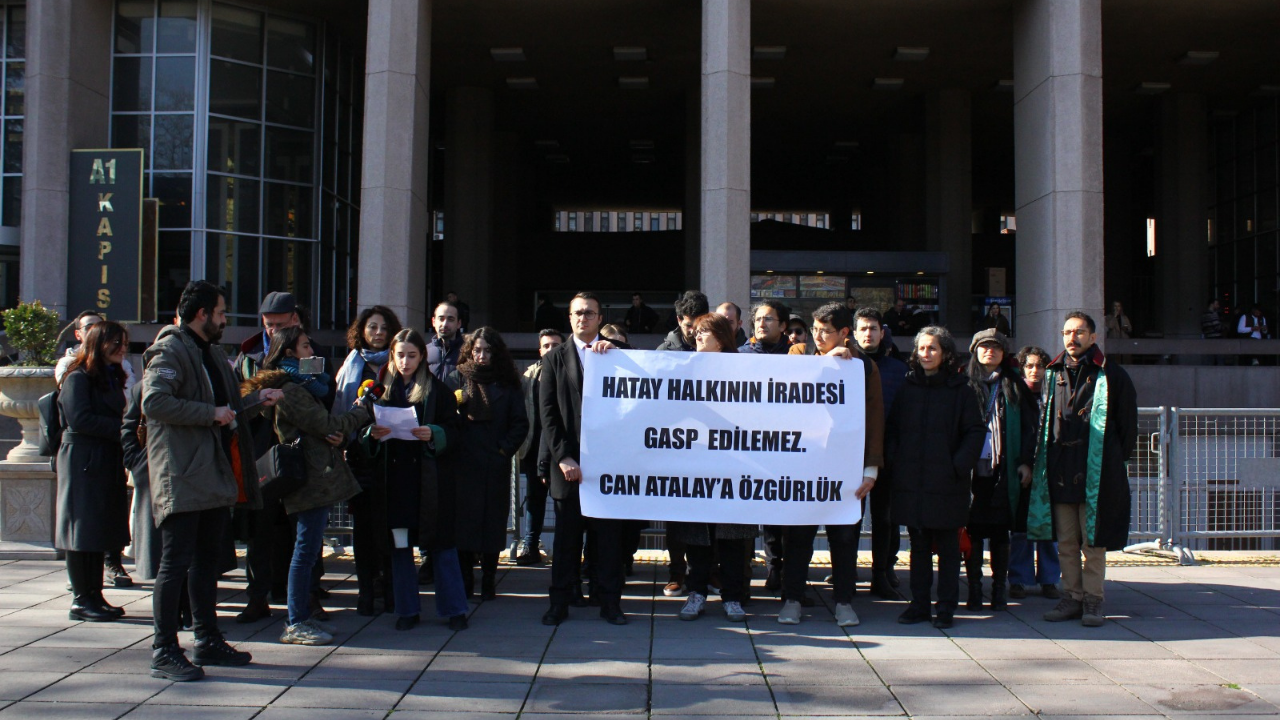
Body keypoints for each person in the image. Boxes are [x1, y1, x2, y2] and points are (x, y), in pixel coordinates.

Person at [142, 281, 281, 681]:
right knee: (176, 564)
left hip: (213, 474)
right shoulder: (170, 350)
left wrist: (256, 401)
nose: (224, 320)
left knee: (206, 563)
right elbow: (154, 402)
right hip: (183, 475)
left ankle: (207, 639)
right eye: (220, 313)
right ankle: (164, 649)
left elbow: (227, 410)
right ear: (201, 314)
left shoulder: (212, 353)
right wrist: (210, 414)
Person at [243, 326, 372, 646]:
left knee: (308, 549)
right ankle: (296, 621)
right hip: (310, 477)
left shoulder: (299, 385)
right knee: (305, 551)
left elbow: (325, 426)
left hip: (313, 474)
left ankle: (300, 615)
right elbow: (326, 425)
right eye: (305, 347)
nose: (311, 352)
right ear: (289, 353)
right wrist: (359, 412)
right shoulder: (291, 390)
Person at [779, 302, 884, 627]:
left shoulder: (864, 366)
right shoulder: (798, 352)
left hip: (846, 466)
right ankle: (792, 599)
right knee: (798, 536)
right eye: (815, 329)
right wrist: (825, 362)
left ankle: (844, 601)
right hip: (804, 464)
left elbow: (874, 417)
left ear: (844, 332)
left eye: (826, 331)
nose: (818, 336)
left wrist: (870, 469)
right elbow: (789, 386)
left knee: (845, 537)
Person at [1031, 312, 1137, 628]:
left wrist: (1114, 463)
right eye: (1067, 332)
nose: (1072, 338)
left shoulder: (1112, 374)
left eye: (1079, 332)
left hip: (1097, 471)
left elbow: (1128, 428)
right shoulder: (1053, 373)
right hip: (1061, 468)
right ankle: (1072, 597)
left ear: (1092, 337)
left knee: (1093, 542)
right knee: (1066, 541)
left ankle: (1093, 600)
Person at [362, 328, 469, 631]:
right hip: (396, 483)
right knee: (400, 547)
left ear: (422, 356)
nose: (405, 362)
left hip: (430, 482)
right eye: (400, 355)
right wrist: (372, 434)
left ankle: (454, 609)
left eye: (412, 355)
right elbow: (361, 430)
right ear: (392, 357)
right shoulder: (379, 391)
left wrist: (434, 433)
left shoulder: (438, 391)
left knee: (442, 546)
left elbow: (456, 432)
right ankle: (407, 609)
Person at [539, 291, 630, 626]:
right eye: (578, 312)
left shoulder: (618, 354)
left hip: (608, 465)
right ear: (570, 318)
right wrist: (562, 456)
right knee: (566, 541)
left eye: (589, 313)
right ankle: (559, 603)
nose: (583, 318)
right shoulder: (554, 358)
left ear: (600, 318)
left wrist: (616, 351)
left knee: (608, 541)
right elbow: (548, 413)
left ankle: (610, 603)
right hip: (569, 466)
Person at [888, 326, 985, 629]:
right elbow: (893, 431)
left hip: (947, 483)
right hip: (912, 482)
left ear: (945, 353)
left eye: (932, 348)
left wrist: (957, 466)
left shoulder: (962, 389)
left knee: (947, 549)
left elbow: (975, 432)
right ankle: (919, 605)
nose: (926, 354)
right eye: (922, 348)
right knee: (917, 547)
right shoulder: (908, 387)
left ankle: (945, 608)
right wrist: (896, 462)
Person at [232, 290, 309, 624]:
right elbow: (237, 404)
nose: (273, 330)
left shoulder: (306, 351)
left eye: (280, 324)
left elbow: (323, 394)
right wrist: (259, 401)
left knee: (299, 527)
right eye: (268, 325)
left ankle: (304, 597)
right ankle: (257, 596)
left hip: (298, 449)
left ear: (295, 319)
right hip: (261, 452)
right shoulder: (248, 356)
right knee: (259, 529)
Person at [676, 314, 756, 623]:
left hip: (734, 467)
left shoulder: (746, 371)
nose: (697, 337)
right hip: (696, 465)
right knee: (698, 536)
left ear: (721, 339)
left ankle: (732, 597)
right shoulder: (684, 369)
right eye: (696, 332)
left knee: (732, 538)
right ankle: (696, 593)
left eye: (704, 333)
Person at [445, 328, 529, 601]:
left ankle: (489, 581)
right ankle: (466, 581)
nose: (481, 356)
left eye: (487, 351)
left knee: (492, 524)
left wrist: (503, 450)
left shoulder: (508, 382)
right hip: (463, 463)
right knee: (464, 525)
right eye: (477, 350)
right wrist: (457, 407)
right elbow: (444, 419)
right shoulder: (456, 378)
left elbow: (520, 423)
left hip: (494, 463)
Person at [56, 321, 131, 623]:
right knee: (82, 529)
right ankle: (81, 598)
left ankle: (94, 594)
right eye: (117, 343)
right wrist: (122, 430)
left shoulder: (108, 375)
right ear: (99, 344)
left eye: (124, 343)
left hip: (103, 457)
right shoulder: (77, 377)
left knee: (98, 529)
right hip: (83, 459)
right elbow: (80, 419)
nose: (123, 349)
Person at [334, 306, 403, 615]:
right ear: (361, 330)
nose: (378, 333)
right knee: (363, 528)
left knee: (389, 527)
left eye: (384, 328)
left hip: (393, 453)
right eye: (372, 327)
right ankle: (365, 590)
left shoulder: (398, 362)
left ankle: (390, 589)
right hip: (359, 454)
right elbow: (340, 406)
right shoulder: (352, 364)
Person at [963, 329, 1037, 612]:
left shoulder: (1015, 385)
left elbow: (1031, 428)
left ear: (1004, 353)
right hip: (972, 471)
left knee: (999, 533)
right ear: (975, 351)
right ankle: (973, 589)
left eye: (995, 347)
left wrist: (1026, 462)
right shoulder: (963, 384)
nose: (989, 351)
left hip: (1004, 470)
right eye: (984, 346)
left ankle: (998, 591)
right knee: (973, 532)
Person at [654, 290, 707, 597]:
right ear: (679, 320)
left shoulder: (718, 348)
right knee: (676, 515)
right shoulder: (664, 352)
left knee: (708, 512)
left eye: (699, 325)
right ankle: (677, 572)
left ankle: (707, 572)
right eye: (688, 325)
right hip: (675, 445)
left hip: (710, 445)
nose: (693, 331)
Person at [852, 307, 908, 599]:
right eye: (863, 328)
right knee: (850, 516)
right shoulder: (845, 364)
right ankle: (846, 570)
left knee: (885, 518)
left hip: (888, 454)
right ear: (854, 333)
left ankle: (882, 571)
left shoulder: (898, 370)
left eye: (873, 328)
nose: (868, 333)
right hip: (850, 454)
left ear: (882, 332)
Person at [1008, 345, 1060, 600]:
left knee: (1050, 527)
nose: (1034, 371)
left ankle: (1049, 579)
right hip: (1023, 468)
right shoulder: (1015, 395)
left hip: (1051, 469)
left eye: (1039, 366)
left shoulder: (1055, 394)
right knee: (1020, 527)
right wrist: (1023, 462)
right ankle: (1019, 578)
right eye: (1029, 366)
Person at [515, 329, 564, 566]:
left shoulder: (572, 371)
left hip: (563, 448)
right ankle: (530, 545)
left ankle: (565, 551)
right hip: (534, 447)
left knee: (564, 502)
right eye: (546, 346)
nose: (550, 350)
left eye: (555, 345)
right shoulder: (529, 376)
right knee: (534, 499)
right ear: (539, 350)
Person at [427, 301, 464, 381]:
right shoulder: (423, 352)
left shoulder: (467, 352)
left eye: (450, 319)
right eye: (441, 319)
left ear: (459, 323)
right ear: (433, 322)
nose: (445, 324)